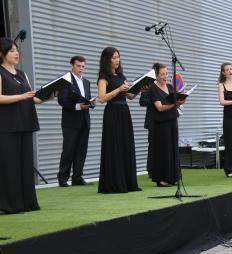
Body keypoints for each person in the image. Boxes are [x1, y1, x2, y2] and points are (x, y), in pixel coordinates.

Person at [0, 37, 56, 214]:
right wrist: (22, 96)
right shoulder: (0, 73)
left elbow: (33, 98)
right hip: (7, 125)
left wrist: (49, 96)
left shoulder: (22, 74)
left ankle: (27, 202)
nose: (16, 53)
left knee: (25, 164)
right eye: (12, 51)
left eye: (17, 50)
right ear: (2, 54)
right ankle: (10, 205)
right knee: (10, 165)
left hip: (25, 122)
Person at [97, 46, 143, 193]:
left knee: (125, 145)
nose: (118, 60)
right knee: (114, 146)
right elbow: (102, 98)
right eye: (114, 57)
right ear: (107, 59)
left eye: (118, 57)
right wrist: (118, 90)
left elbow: (129, 96)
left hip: (124, 112)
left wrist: (138, 90)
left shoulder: (121, 76)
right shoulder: (103, 77)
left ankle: (128, 182)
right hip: (112, 112)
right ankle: (115, 183)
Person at [139, 62, 185, 186]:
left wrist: (180, 100)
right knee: (163, 151)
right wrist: (174, 105)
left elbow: (174, 101)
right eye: (162, 74)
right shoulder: (152, 88)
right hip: (160, 123)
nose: (165, 76)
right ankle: (162, 178)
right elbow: (159, 107)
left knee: (172, 149)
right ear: (156, 75)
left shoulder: (170, 87)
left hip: (172, 121)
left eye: (166, 73)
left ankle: (172, 177)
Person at [57, 56, 94, 187]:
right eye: (78, 66)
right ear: (71, 66)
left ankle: (77, 177)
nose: (81, 69)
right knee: (68, 150)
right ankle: (63, 178)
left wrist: (91, 103)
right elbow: (62, 100)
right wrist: (78, 107)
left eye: (83, 66)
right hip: (70, 121)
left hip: (85, 120)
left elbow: (87, 99)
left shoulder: (87, 82)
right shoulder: (65, 80)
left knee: (81, 150)